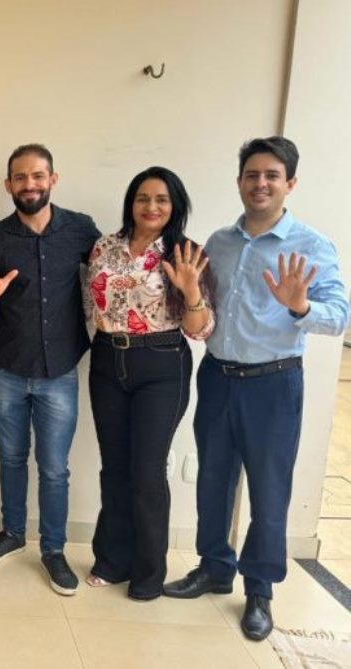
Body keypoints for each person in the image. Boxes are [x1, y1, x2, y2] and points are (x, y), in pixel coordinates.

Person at [163, 137, 348, 639]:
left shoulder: (311, 245)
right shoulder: (219, 242)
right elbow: (203, 307)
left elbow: (339, 316)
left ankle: (260, 590)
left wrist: (300, 306)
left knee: (269, 491)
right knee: (213, 480)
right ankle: (213, 567)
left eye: (271, 175)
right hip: (218, 377)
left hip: (274, 383)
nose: (260, 183)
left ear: (290, 183)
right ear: (240, 182)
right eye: (252, 175)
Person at [0, 144, 100, 596]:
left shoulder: (80, 230)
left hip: (60, 370)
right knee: (10, 457)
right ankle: (12, 533)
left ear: (53, 179)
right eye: (20, 177)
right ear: (8, 185)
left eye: (38, 175)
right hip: (7, 368)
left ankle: (54, 550)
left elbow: (111, 273)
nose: (29, 185)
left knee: (55, 468)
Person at [84, 166, 213, 600]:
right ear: (131, 203)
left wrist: (191, 291)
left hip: (160, 364)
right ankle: (111, 560)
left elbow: (199, 329)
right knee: (114, 467)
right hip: (107, 358)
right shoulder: (105, 246)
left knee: (146, 471)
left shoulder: (186, 253)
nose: (151, 207)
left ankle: (149, 573)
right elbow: (91, 302)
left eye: (161, 199)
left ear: (175, 205)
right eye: (143, 198)